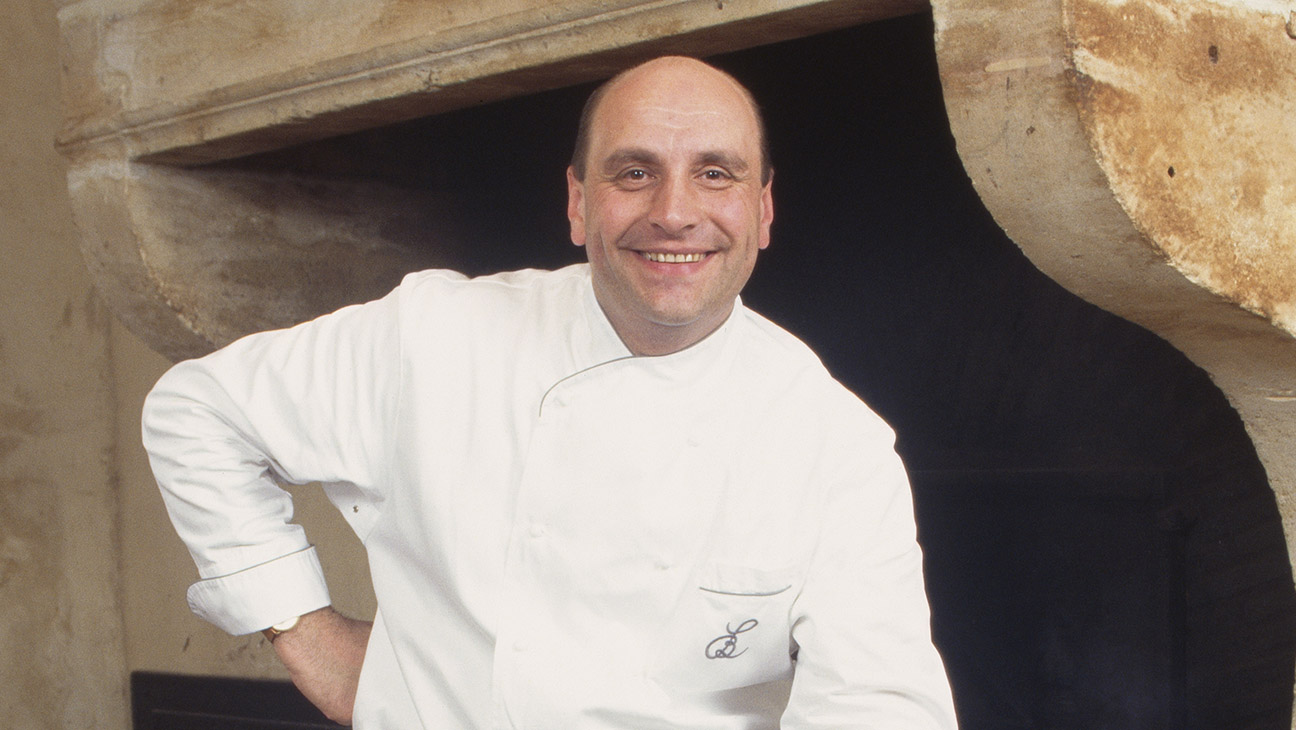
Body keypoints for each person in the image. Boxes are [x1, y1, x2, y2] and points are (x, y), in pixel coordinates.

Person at [142, 55, 958, 729]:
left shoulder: (835, 447)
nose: (675, 212)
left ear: (763, 210)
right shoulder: (436, 338)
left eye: (715, 174)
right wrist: (302, 630)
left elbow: (878, 705)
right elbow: (199, 411)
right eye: (634, 172)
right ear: (577, 202)